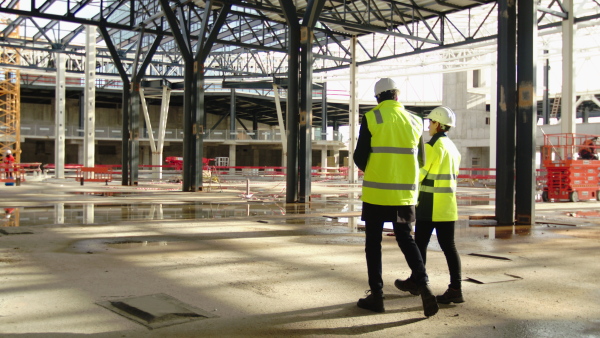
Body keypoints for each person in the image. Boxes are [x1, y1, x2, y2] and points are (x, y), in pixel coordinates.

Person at [353, 78, 438, 317]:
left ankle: (377, 296)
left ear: (378, 98)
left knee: (373, 243)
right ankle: (424, 285)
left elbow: (360, 157)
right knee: (405, 239)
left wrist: (376, 166)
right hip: (404, 194)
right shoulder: (413, 120)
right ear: (397, 96)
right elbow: (421, 159)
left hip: (377, 194)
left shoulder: (372, 117)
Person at [394, 106, 464, 304]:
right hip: (448, 206)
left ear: (437, 124)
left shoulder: (433, 147)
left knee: (419, 245)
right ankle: (455, 288)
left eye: (430, 122)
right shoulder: (453, 147)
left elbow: (419, 175)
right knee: (449, 247)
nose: (428, 126)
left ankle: (417, 282)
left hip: (429, 204)